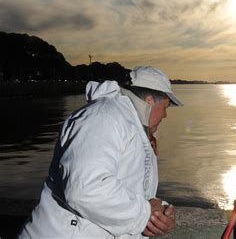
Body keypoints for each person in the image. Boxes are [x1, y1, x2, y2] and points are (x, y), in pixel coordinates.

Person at [19, 66, 183, 238]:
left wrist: (159, 211)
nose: (165, 116)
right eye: (165, 107)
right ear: (150, 101)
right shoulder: (104, 117)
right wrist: (145, 213)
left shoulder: (127, 123)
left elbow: (129, 185)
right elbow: (85, 187)